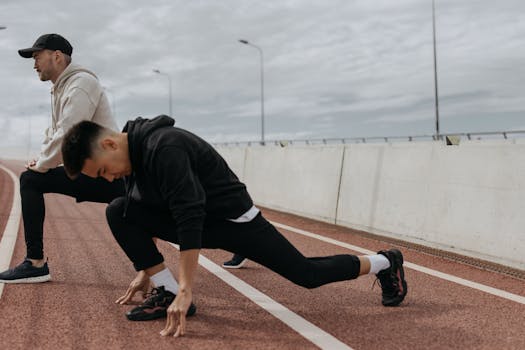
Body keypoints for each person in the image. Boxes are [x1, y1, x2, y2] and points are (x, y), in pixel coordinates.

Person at [61, 115, 408, 338]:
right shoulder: (131, 157)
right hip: (202, 220)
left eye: (104, 169)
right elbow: (143, 205)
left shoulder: (165, 147)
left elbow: (188, 217)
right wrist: (147, 269)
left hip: (234, 223)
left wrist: (187, 288)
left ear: (109, 144)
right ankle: (164, 291)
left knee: (306, 275)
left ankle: (385, 261)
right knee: (119, 209)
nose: (109, 176)